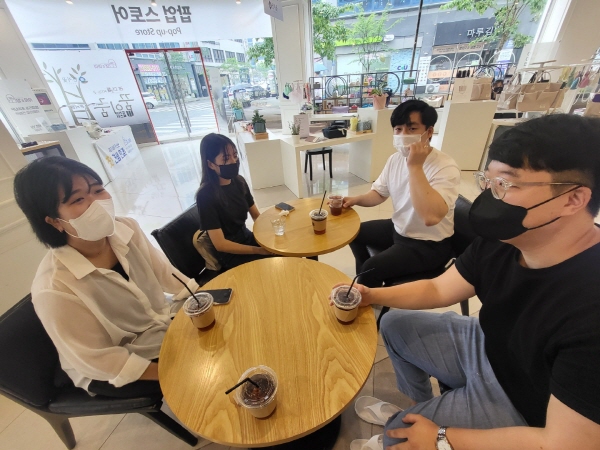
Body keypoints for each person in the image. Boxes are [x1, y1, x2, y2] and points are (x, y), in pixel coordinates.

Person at [343, 114, 600, 449]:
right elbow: (439, 287)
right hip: (488, 345)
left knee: (397, 435)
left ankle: (417, 423)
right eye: (488, 181)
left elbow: (566, 443)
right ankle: (418, 407)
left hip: (526, 405)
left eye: (506, 184)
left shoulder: (589, 308)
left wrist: (441, 438)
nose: (490, 197)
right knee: (393, 324)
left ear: (573, 199)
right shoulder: (505, 240)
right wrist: (370, 295)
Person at [14, 156, 197, 398]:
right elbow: (98, 360)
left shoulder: (126, 228)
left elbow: (168, 276)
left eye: (98, 190)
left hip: (156, 328)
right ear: (54, 221)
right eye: (78, 199)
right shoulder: (54, 288)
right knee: (201, 383)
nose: (97, 204)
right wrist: (173, 371)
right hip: (111, 368)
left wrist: (203, 298)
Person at [344, 100, 461, 287]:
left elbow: (430, 217)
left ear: (429, 132)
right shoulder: (395, 159)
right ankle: (366, 282)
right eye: (398, 129)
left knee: (371, 268)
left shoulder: (445, 166)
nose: (403, 135)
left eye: (412, 128)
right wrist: (355, 199)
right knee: (353, 233)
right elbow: (379, 193)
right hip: (399, 228)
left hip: (428, 244)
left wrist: (415, 166)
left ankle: (369, 290)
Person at [195, 133, 272, 269]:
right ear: (211, 164)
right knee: (275, 265)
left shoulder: (239, 181)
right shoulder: (206, 195)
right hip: (231, 254)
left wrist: (270, 234)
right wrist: (259, 250)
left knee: (287, 251)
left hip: (247, 238)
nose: (233, 161)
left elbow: (256, 215)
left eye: (235, 155)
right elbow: (221, 244)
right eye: (226, 158)